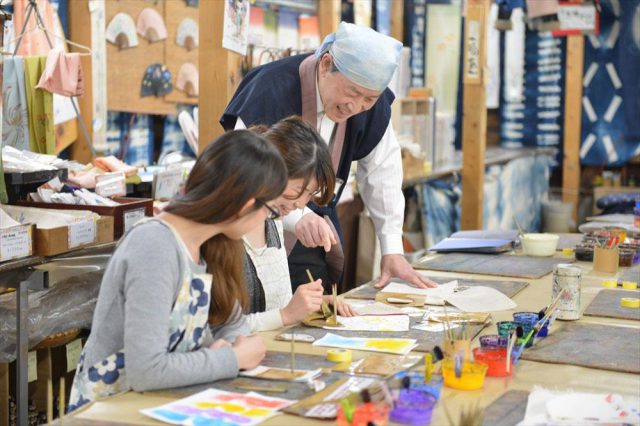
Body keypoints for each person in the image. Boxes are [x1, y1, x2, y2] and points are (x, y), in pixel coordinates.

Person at [68, 130, 287, 411]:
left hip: (163, 405)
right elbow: (146, 369)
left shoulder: (213, 243)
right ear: (246, 205)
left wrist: (233, 346)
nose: (268, 219)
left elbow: (231, 324)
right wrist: (232, 359)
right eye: (270, 209)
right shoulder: (154, 245)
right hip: (113, 410)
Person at [221, 22, 437, 291]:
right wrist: (297, 216)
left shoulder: (371, 103)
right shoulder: (269, 89)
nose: (356, 106)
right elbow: (239, 178)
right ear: (325, 64)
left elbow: (384, 174)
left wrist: (391, 248)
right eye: (352, 92)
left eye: (368, 99)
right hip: (254, 241)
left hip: (318, 241)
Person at [243, 116, 357, 332]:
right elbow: (218, 330)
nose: (301, 204)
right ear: (271, 170)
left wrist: (311, 306)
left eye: (310, 194)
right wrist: (287, 315)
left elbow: (276, 308)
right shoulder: (226, 233)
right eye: (298, 192)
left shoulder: (273, 220)